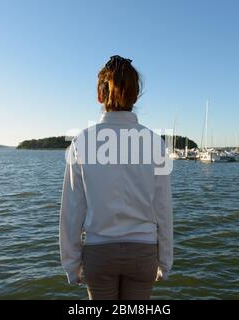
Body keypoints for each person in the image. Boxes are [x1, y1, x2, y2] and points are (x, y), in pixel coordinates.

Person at [59, 55, 173, 300]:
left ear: (100, 96)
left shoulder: (82, 142)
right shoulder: (155, 142)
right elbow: (163, 207)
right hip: (143, 253)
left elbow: (72, 210)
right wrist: (165, 260)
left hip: (99, 254)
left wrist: (71, 264)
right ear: (135, 96)